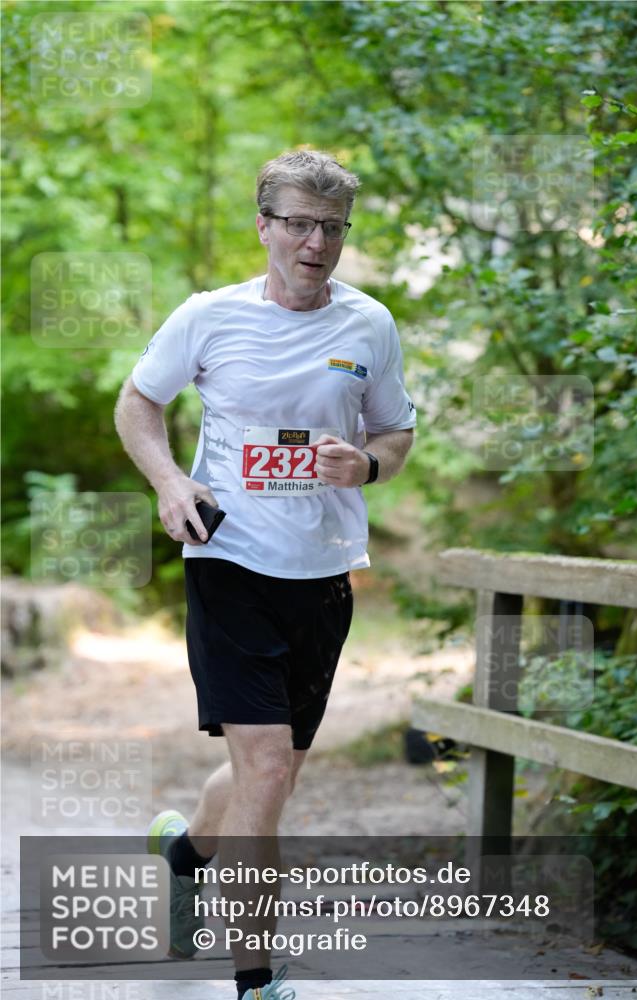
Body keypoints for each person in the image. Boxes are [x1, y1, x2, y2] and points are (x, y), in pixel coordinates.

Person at [114, 149, 416, 999]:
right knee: (271, 771)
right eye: (296, 223)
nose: (314, 242)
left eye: (330, 227)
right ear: (264, 227)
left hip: (321, 577)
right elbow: (138, 403)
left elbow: (395, 432)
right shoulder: (208, 317)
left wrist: (366, 466)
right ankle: (256, 982)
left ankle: (183, 854)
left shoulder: (369, 325)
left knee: (268, 768)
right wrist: (172, 483)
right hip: (229, 560)